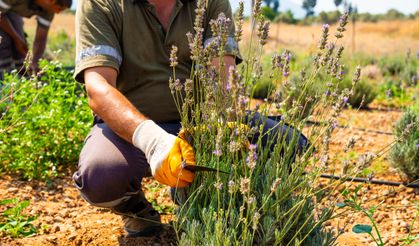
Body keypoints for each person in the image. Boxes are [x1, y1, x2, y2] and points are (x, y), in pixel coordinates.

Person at [72, 0, 309, 238]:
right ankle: (133, 208)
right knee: (100, 175)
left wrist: (219, 133)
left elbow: (223, 79)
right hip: (130, 130)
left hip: (200, 123)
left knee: (291, 146)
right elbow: (98, 88)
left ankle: (198, 194)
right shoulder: (100, 3)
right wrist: (153, 141)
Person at [0, 0, 72, 78]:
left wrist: (35, 61)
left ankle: (24, 82)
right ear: (52, 1)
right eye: (59, 9)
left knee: (20, 52)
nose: (58, 13)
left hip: (10, 12)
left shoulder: (48, 11)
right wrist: (17, 39)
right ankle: (4, 81)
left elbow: (41, 38)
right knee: (4, 42)